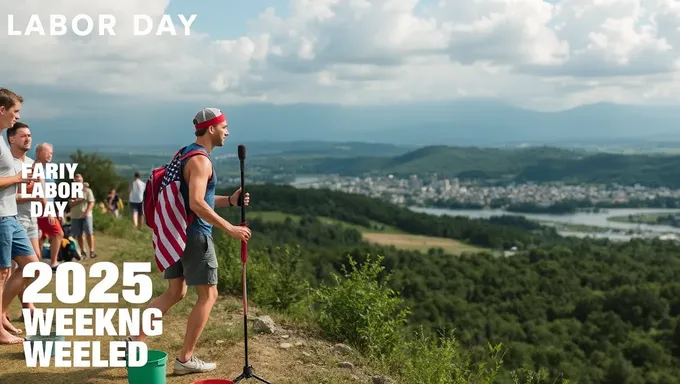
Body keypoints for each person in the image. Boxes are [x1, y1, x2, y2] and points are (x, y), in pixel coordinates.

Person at [125, 108, 251, 375]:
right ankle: (185, 359)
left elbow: (193, 198)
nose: (227, 132)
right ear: (211, 129)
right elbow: (196, 203)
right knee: (209, 295)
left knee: (175, 292)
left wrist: (230, 200)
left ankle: (135, 342)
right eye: (224, 127)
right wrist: (230, 228)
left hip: (174, 233)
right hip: (194, 235)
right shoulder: (201, 161)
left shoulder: (183, 154)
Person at [0, 88, 40, 345]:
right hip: (1, 217)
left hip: (10, 216)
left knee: (33, 266)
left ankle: (1, 313)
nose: (17, 117)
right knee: (2, 273)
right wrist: (19, 178)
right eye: (15, 112)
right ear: (1, 110)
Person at [4, 122, 38, 328]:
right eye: (23, 135)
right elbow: (9, 195)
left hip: (25, 220)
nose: (28, 139)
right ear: (11, 139)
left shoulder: (32, 163)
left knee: (30, 265)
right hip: (8, 218)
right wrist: (27, 196)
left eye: (30, 135)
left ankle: (21, 306)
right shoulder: (8, 163)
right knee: (7, 270)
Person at [35, 143, 65, 268]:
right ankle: (52, 262)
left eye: (51, 153)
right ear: (38, 153)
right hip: (40, 209)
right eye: (47, 152)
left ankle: (39, 262)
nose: (50, 155)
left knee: (40, 236)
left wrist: (58, 210)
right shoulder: (35, 168)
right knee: (57, 233)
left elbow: (52, 193)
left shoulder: (50, 168)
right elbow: (38, 192)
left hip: (49, 208)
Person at [69, 174, 96, 259]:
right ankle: (83, 251)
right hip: (75, 215)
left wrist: (87, 212)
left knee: (89, 232)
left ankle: (92, 251)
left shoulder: (87, 191)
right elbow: (71, 204)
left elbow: (92, 202)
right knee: (78, 234)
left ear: (82, 180)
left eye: (79, 180)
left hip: (86, 215)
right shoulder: (72, 191)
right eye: (76, 181)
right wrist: (80, 200)